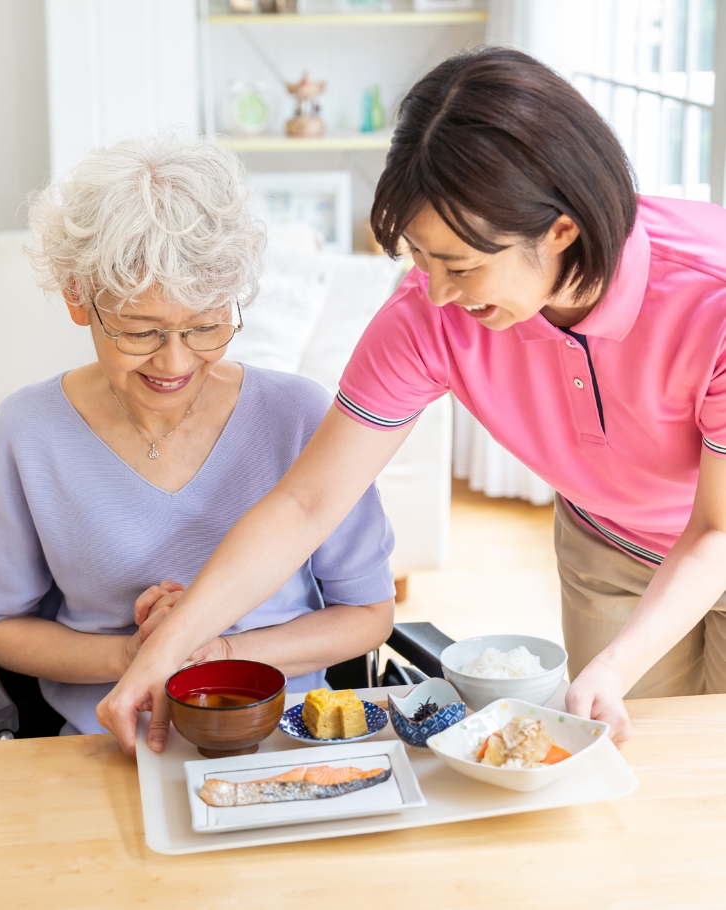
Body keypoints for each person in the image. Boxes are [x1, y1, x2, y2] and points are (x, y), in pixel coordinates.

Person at [99, 45, 726, 755]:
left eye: (459, 265)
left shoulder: (713, 295)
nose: (436, 294)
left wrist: (614, 666)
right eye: (420, 259)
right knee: (631, 773)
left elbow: (715, 532)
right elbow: (307, 504)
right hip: (608, 542)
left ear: (561, 229)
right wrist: (161, 653)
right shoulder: (430, 313)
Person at [0, 136, 395, 736]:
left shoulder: (296, 414)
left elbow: (369, 613)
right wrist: (130, 658)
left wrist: (212, 653)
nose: (174, 364)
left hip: (286, 739)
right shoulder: (29, 428)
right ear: (78, 300)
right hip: (106, 748)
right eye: (140, 333)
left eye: (205, 328)